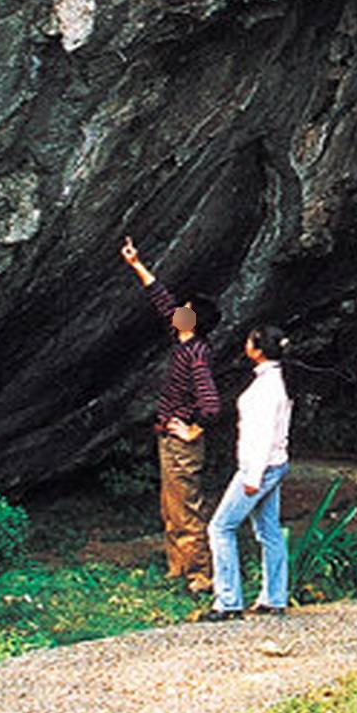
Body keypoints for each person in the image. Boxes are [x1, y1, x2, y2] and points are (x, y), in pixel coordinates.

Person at [119, 237, 220, 596]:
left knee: (186, 509)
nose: (179, 309)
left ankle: (201, 575)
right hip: (168, 437)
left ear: (194, 320)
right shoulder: (183, 340)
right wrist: (136, 263)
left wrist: (192, 431)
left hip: (180, 443)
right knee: (171, 506)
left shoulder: (196, 354)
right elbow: (162, 302)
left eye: (186, 308)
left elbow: (211, 404)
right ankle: (178, 568)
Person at [201, 325, 292, 621]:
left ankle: (227, 602)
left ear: (258, 350)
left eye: (249, 341)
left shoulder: (267, 388)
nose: (245, 345)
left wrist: (252, 477)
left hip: (260, 467)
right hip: (274, 463)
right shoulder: (274, 381)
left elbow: (263, 434)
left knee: (220, 527)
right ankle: (274, 598)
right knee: (269, 531)